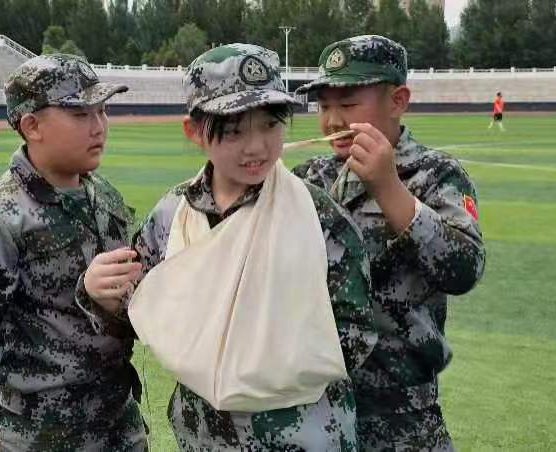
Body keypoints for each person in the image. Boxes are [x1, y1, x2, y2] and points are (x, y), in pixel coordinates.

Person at [131, 43, 376, 451]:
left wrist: (260, 366)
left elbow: (354, 331)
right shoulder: (172, 215)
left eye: (270, 125)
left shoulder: (317, 215)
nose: (257, 146)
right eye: (234, 131)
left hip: (304, 435)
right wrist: (95, 292)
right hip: (205, 436)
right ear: (194, 131)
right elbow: (142, 305)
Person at [292, 35, 486, 451]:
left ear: (397, 101)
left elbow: (464, 269)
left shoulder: (435, 175)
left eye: (348, 104)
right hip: (316, 408)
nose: (332, 121)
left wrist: (388, 187)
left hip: (403, 416)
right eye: (323, 106)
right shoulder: (310, 177)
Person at [0, 54, 146, 451]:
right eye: (80, 114)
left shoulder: (104, 195)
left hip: (118, 425)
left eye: (103, 111)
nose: (99, 126)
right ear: (32, 126)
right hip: (43, 434)